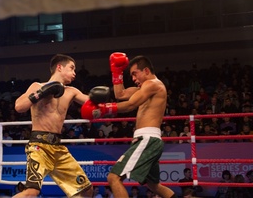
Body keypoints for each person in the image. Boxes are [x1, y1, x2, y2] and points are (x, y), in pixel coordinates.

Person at [81, 53, 178, 198]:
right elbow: (120, 94)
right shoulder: (144, 88)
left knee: (113, 178)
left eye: (135, 74)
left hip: (147, 139)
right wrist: (117, 72)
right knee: (153, 185)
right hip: (148, 139)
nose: (133, 79)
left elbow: (131, 105)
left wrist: (104, 109)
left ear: (146, 71)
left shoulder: (154, 84)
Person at [13, 54, 93, 198]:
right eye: (72, 68)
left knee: (86, 190)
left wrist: (102, 99)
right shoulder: (37, 86)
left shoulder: (72, 92)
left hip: (58, 149)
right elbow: (19, 106)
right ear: (59, 67)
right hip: (39, 147)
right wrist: (41, 93)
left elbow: (91, 104)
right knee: (31, 193)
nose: (75, 73)